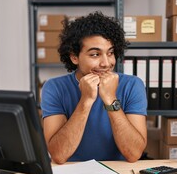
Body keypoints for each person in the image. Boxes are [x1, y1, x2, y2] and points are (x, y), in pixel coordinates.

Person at [41, 11, 147, 164]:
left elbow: (134, 154)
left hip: (119, 173)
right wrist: (86, 101)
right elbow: (58, 155)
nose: (106, 63)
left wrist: (110, 99)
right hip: (71, 172)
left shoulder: (132, 85)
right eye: (95, 55)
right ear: (74, 57)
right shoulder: (54, 87)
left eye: (110, 53)